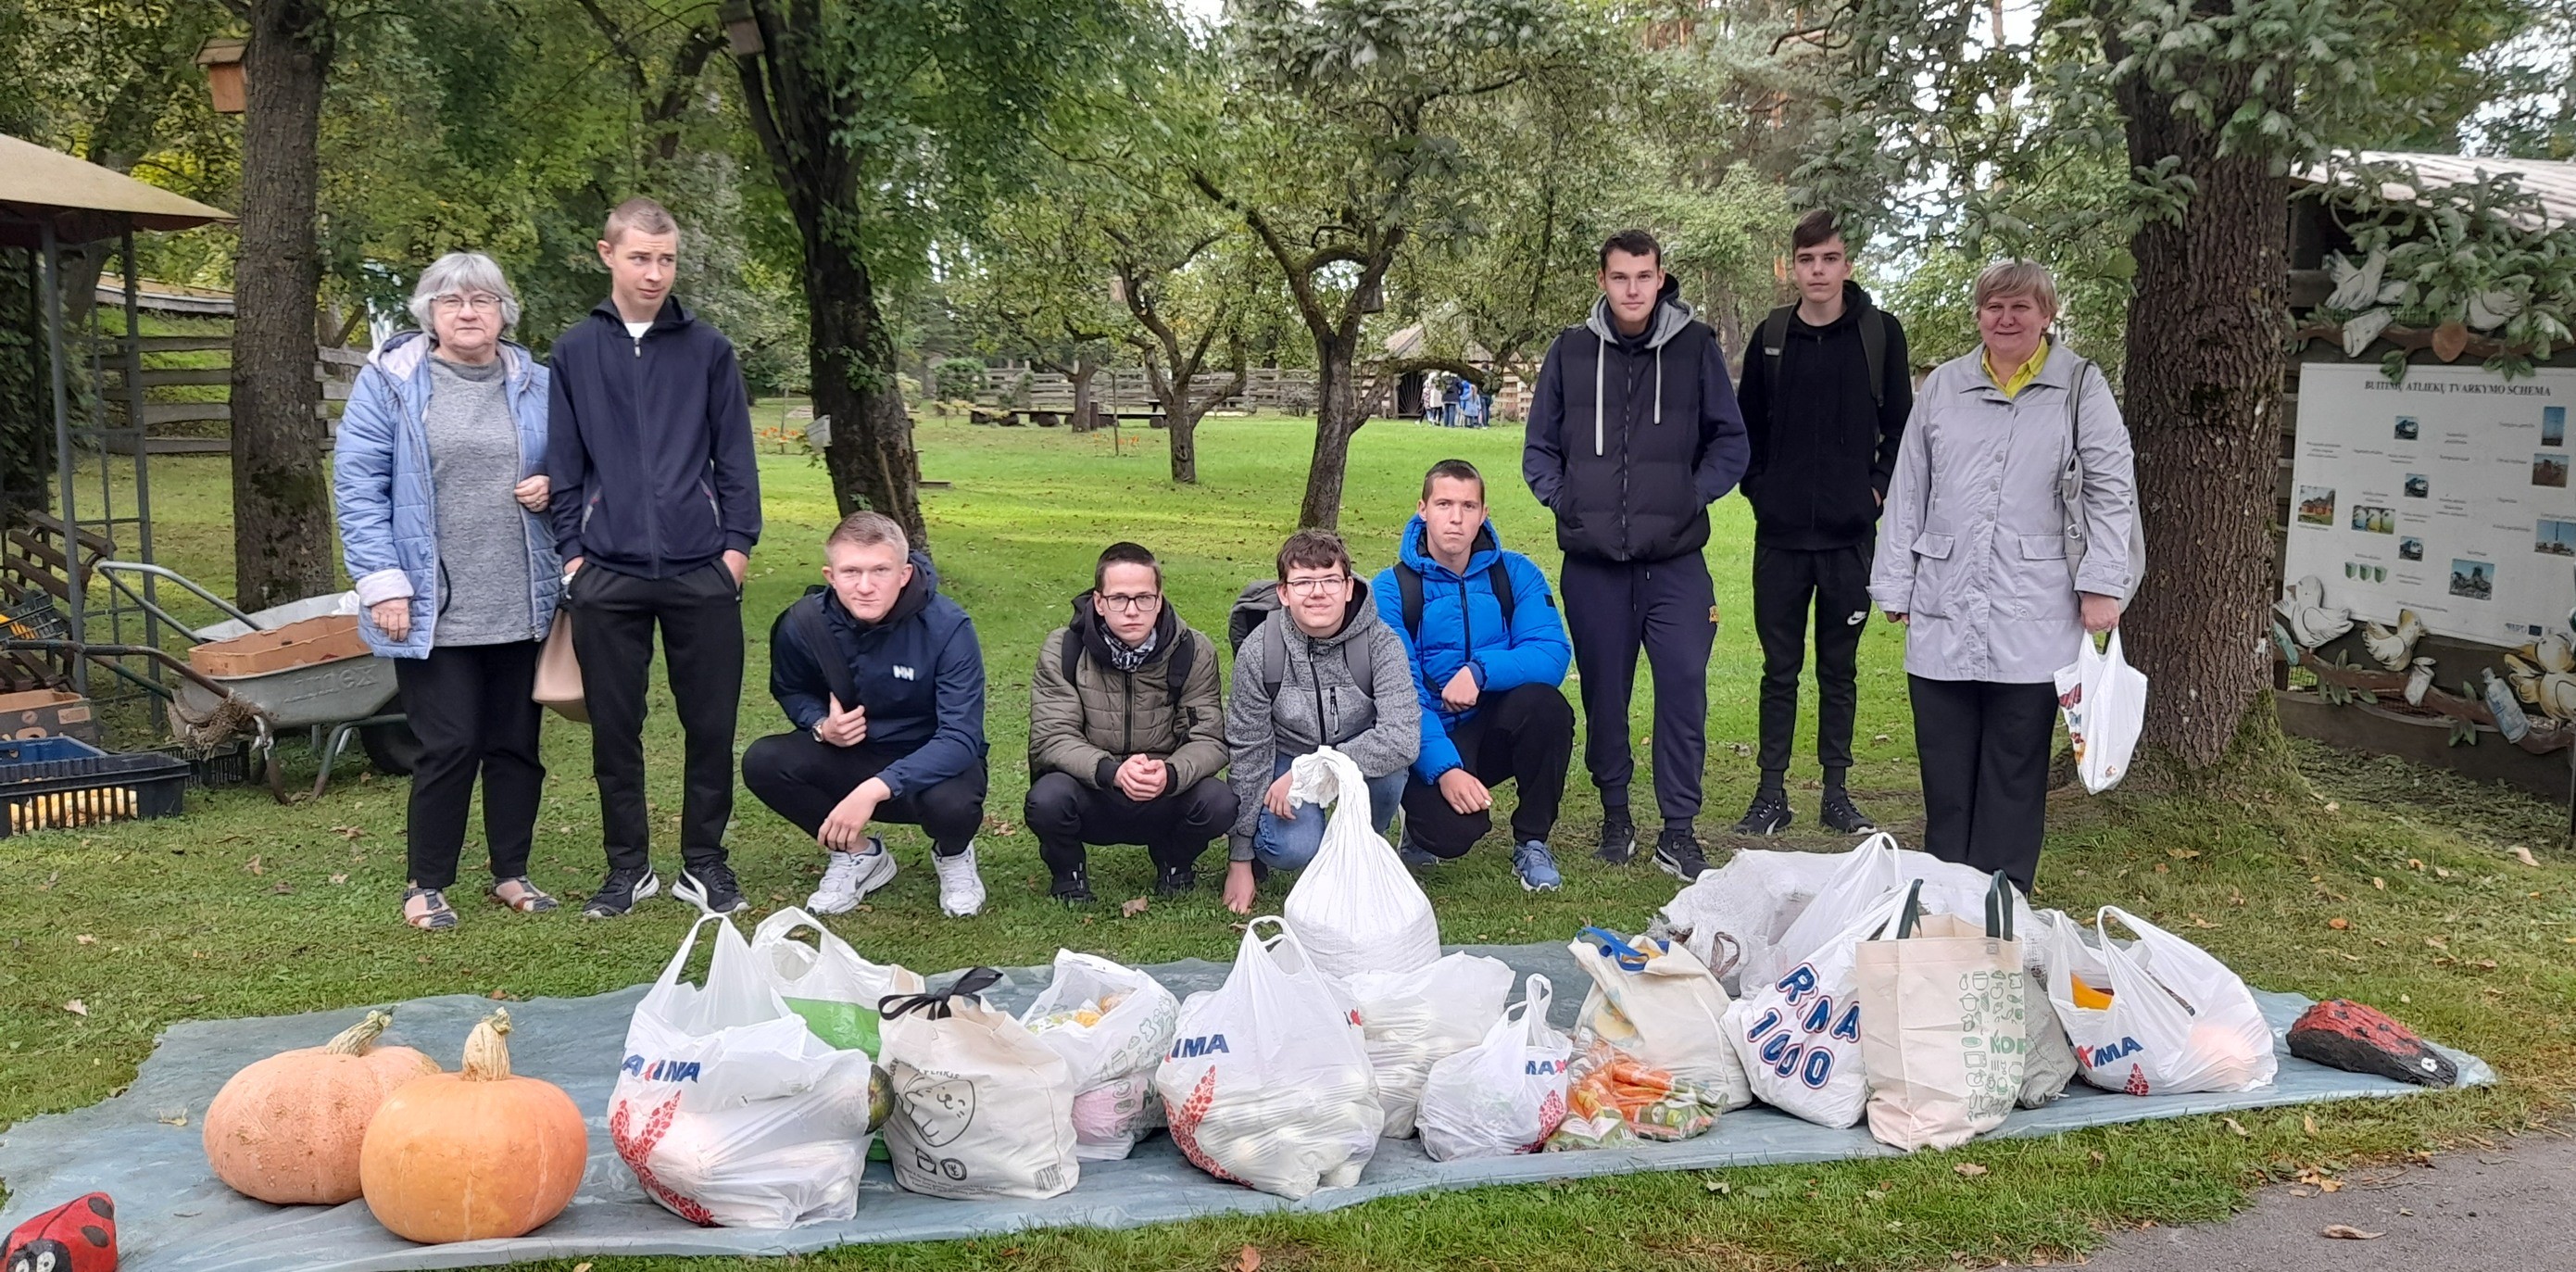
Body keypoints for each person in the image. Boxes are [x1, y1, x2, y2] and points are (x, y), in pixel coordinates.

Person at [1870, 259, 2137, 891]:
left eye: (2021, 307)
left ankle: (2002, 903)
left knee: (2013, 770)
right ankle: (1943, 900)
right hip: (1945, 602)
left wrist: (2103, 584)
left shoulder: (2078, 386)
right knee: (1944, 773)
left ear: (2047, 314)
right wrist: (1894, 580)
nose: (2007, 318)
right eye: (1995, 306)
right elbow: (1909, 486)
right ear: (1978, 315)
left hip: (2036, 607)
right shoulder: (1944, 386)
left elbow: (2110, 487)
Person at [547, 196, 763, 918]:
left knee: (711, 724)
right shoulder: (575, 351)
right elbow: (564, 462)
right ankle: (627, 867)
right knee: (615, 730)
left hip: (702, 569)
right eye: (640, 257)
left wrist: (736, 549)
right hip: (607, 572)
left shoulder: (708, 349)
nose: (654, 273)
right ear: (607, 254)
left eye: (666, 259)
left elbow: (736, 457)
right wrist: (573, 556)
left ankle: (704, 863)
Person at [335, 252, 562, 931]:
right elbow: (359, 488)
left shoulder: (539, 384)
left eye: (482, 300)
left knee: (516, 745)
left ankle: (511, 873)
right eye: (451, 300)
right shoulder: (390, 383)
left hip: (522, 598)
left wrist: (556, 483)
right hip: (432, 604)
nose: (468, 312)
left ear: (503, 312)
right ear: (429, 313)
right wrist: (384, 584)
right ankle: (427, 882)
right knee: (450, 743)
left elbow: (582, 464)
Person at [1522, 229, 1750, 882]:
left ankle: (1678, 829)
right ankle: (1615, 815)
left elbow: (1730, 442)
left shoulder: (1695, 347)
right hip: (1593, 565)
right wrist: (1568, 502)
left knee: (1682, 690)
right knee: (1605, 695)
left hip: (1675, 563)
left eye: (1643, 276)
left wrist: (1688, 497)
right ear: (1602, 280)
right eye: (1620, 277)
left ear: (1659, 278)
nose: (1632, 289)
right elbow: (1539, 447)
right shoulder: (1570, 351)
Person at [1732, 209, 1912, 838]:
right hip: (1780, 539)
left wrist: (1875, 491)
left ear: (1847, 265)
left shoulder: (1879, 334)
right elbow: (1744, 429)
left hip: (1847, 538)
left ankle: (1837, 793)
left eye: (1829, 259)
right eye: (1807, 260)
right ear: (1792, 268)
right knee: (1778, 671)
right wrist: (1762, 491)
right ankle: (1770, 793)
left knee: (1839, 671)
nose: (1818, 271)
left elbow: (1901, 428)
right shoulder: (1771, 335)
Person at [743, 512, 993, 917]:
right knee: (764, 761)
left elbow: (961, 736)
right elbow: (790, 689)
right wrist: (820, 725)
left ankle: (954, 854)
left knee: (954, 804)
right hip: (853, 754)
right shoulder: (802, 623)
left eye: (880, 570)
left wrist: (875, 788)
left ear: (904, 574)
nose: (864, 586)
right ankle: (858, 854)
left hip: (932, 760)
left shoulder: (948, 627)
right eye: (851, 572)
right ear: (830, 576)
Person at [1374, 460, 1575, 891]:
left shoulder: (1515, 573)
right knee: (1450, 835)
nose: (1456, 518)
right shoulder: (1391, 589)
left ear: (1483, 514)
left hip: (1492, 724)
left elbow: (1551, 652)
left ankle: (1532, 841)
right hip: (1425, 733)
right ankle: (1419, 826)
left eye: (1468, 506)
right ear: (1423, 509)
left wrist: (1480, 671)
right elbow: (1401, 695)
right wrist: (1445, 769)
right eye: (1444, 504)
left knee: (1546, 707)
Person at [1223, 528, 1420, 914]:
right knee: (1291, 848)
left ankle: (1366, 845)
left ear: (1348, 588)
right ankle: (1289, 842)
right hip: (1287, 756)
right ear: (1284, 593)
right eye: (1303, 582)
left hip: (1358, 758)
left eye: (1330, 580)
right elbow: (1248, 750)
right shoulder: (1259, 650)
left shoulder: (1382, 644)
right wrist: (1239, 859)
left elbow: (1402, 738)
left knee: (1390, 773)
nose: (1317, 592)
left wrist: (1316, 767)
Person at [1024, 542, 1236, 902]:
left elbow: (1210, 739)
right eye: (1119, 599)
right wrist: (1112, 772)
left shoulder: (1193, 650)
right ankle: (1068, 871)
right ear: (1099, 602)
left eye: (1144, 598)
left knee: (1219, 801)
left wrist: (1169, 773)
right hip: (1093, 787)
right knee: (1047, 799)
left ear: (1159, 599)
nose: (1132, 610)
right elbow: (1052, 737)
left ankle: (1175, 861)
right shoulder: (1064, 648)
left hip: (1163, 790)